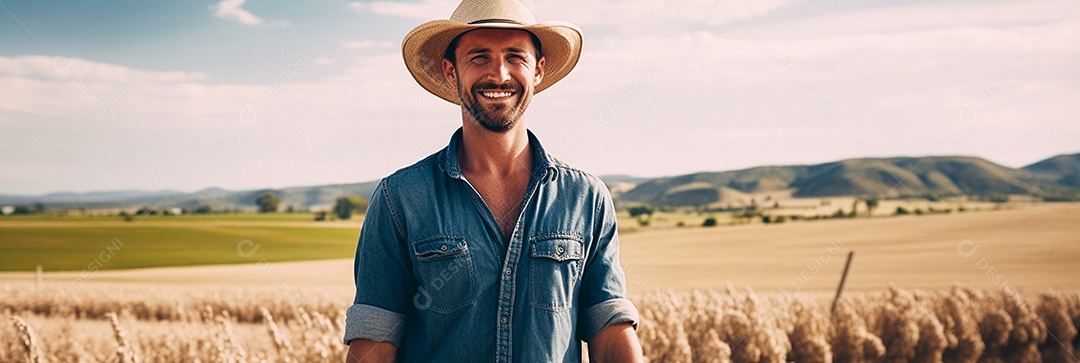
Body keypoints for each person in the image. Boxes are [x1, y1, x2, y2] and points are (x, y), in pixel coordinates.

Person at [343, 0, 642, 361]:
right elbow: (374, 345)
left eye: (516, 57)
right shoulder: (400, 199)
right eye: (479, 57)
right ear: (451, 71)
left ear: (538, 71)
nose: (499, 74)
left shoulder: (585, 198)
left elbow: (610, 334)